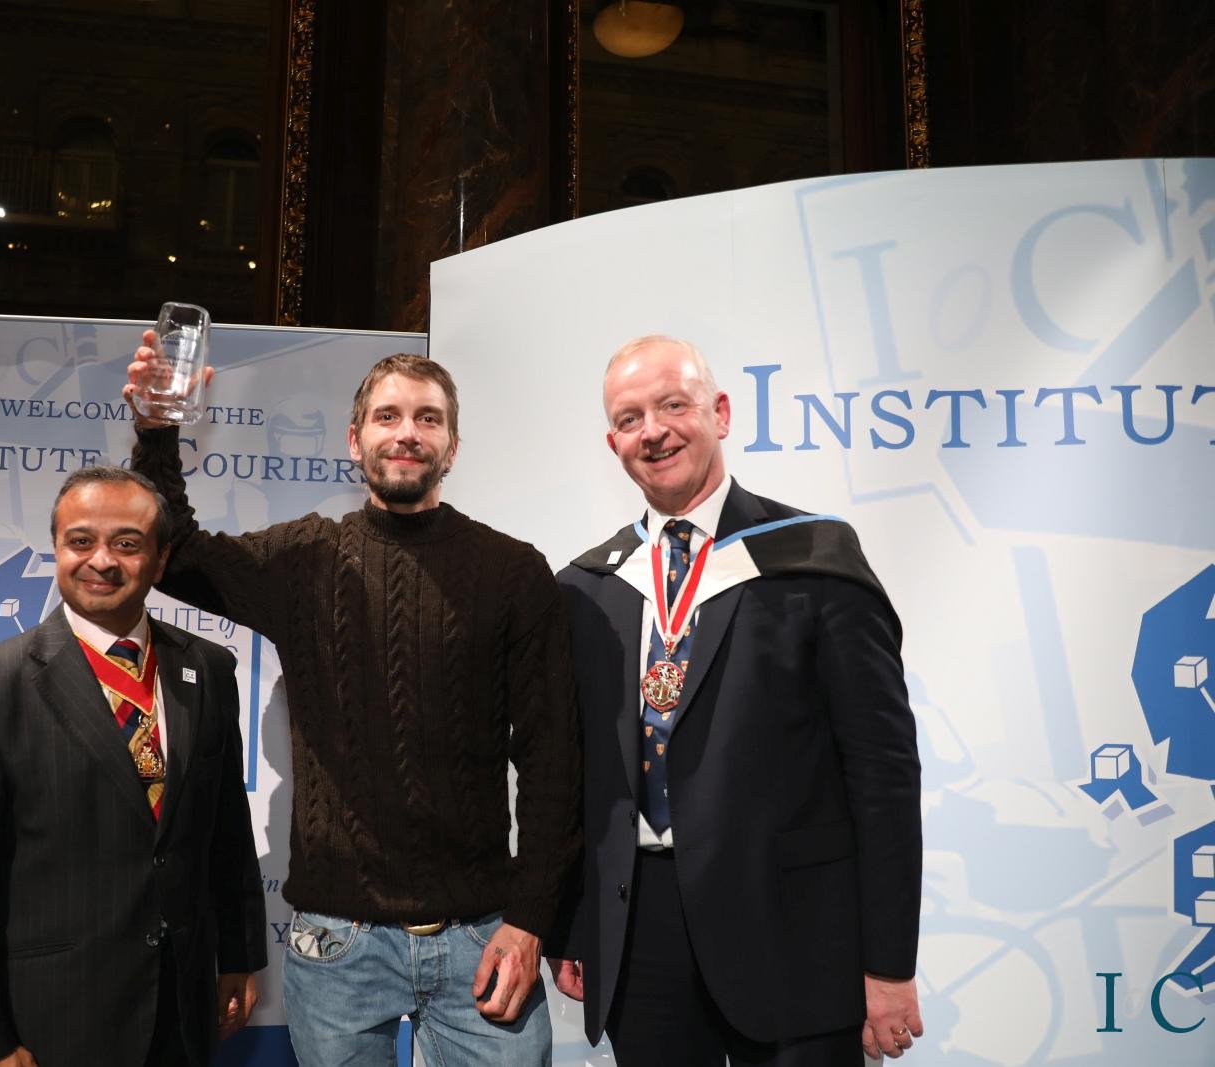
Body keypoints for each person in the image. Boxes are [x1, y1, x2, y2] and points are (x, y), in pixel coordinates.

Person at [123, 342, 580, 1066]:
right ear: (354, 439)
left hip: (482, 939)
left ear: (453, 446)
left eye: (427, 418)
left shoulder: (513, 571)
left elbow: (554, 761)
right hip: (336, 946)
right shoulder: (304, 559)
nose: (407, 433)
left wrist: (530, 920)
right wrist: (156, 432)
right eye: (387, 416)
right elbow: (171, 556)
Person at [547, 336, 924, 1065]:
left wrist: (888, 963)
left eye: (673, 405)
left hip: (794, 931)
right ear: (613, 443)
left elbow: (883, 775)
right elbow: (576, 776)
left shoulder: (814, 560)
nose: (653, 431)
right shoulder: (588, 588)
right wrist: (575, 924)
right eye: (629, 418)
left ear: (719, 413)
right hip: (640, 935)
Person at [0, 466, 268, 1067]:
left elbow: (225, 827)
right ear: (56, 548)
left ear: (160, 560)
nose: (101, 560)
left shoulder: (208, 669)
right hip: (52, 1021)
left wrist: (237, 955)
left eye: (127, 543)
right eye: (80, 541)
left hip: (182, 1012)